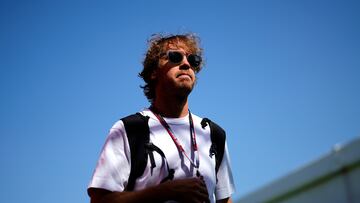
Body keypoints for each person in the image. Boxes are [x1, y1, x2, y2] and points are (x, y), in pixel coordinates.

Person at [87, 33, 235, 203]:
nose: (186, 64)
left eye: (192, 60)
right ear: (153, 72)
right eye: (175, 57)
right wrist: (164, 192)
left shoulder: (214, 134)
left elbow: (225, 200)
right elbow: (99, 200)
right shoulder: (128, 130)